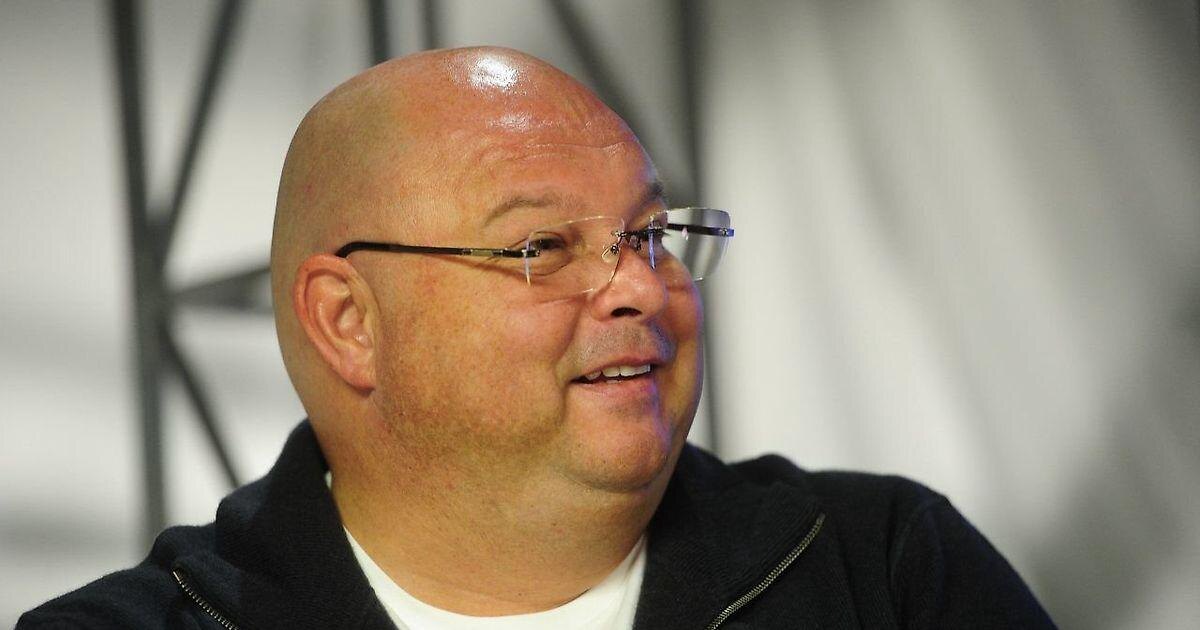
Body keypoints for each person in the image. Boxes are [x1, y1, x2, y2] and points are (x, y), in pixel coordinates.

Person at [19, 47, 1055, 629]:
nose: (639, 288)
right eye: (541, 248)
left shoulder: (887, 574)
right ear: (349, 324)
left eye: (649, 235)